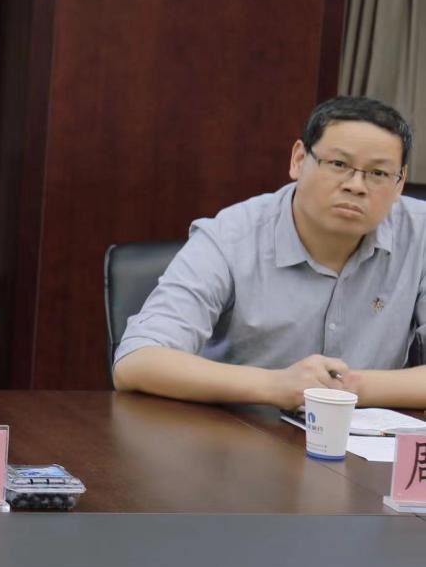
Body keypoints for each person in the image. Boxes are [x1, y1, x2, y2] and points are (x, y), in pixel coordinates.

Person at [113, 96, 426, 409]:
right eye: (339, 165)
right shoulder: (230, 236)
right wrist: (276, 385)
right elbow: (136, 360)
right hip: (235, 429)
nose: (356, 186)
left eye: (379, 173)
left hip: (366, 435)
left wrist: (345, 387)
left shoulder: (420, 234)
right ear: (299, 160)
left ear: (399, 183)